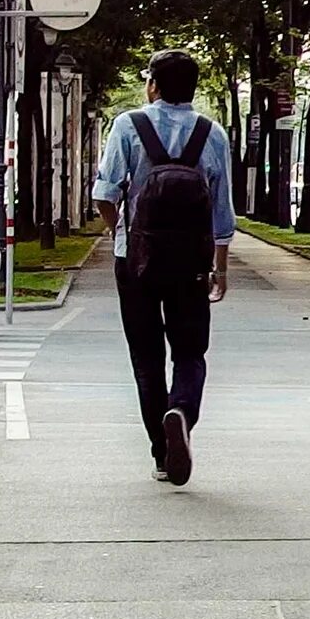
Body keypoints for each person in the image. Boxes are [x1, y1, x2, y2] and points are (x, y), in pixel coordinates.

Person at [94, 50, 236, 486]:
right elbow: (222, 214)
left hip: (135, 262)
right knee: (191, 352)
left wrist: (123, 232)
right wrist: (220, 270)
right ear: (192, 89)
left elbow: (104, 193)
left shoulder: (127, 126)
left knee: (147, 358)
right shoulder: (212, 135)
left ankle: (161, 453)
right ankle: (182, 411)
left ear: (152, 85)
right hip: (190, 265)